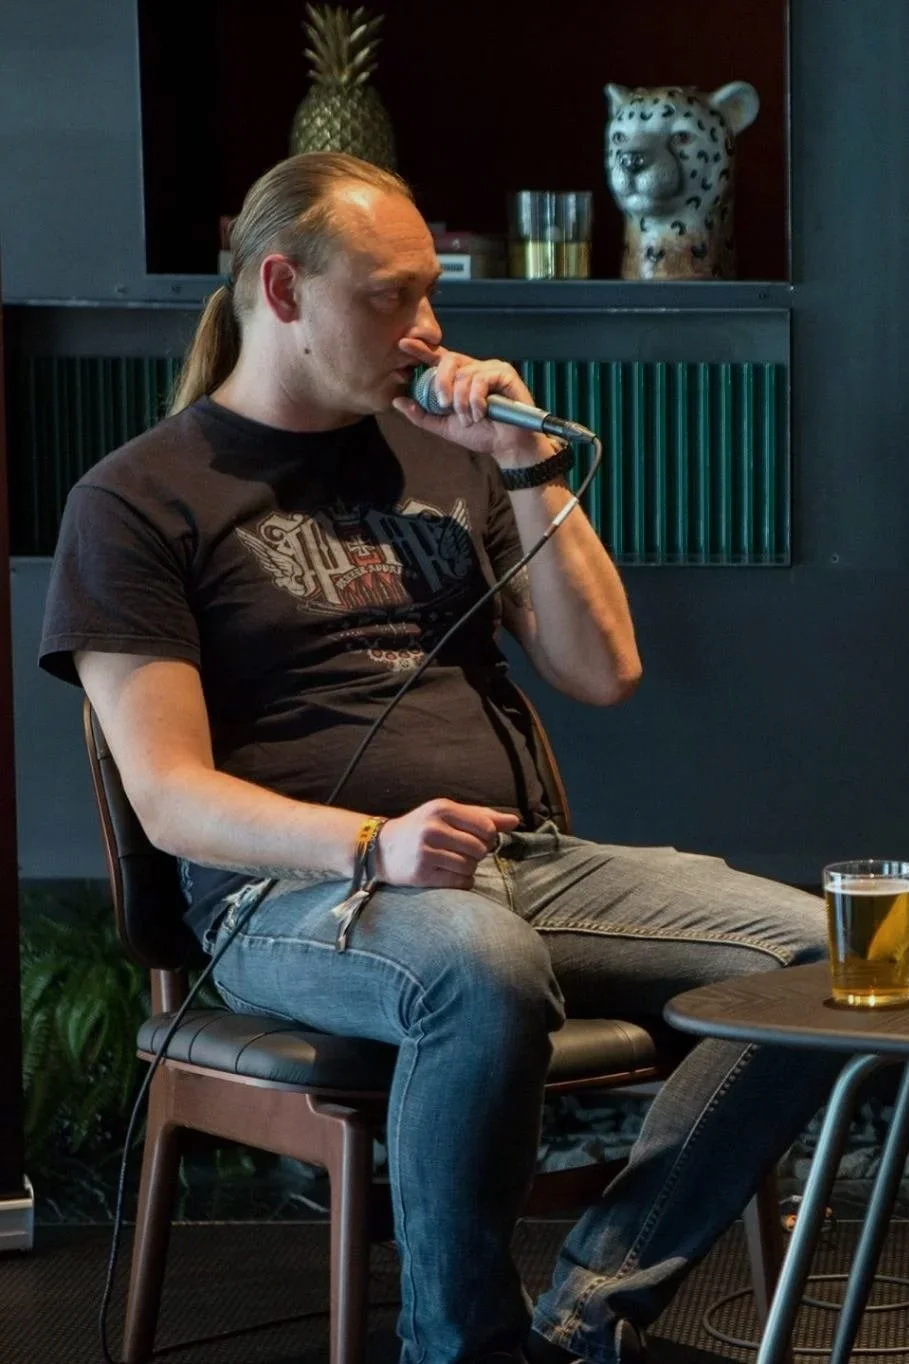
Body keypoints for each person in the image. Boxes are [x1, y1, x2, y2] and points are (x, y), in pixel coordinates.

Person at [38, 152, 837, 1364]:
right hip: (293, 897)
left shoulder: (443, 454)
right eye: (390, 295)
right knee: (477, 957)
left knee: (828, 953)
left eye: (430, 293)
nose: (426, 329)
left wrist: (524, 464)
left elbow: (603, 668)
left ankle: (584, 1314)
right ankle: (458, 1347)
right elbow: (169, 797)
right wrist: (372, 844)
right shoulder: (138, 501)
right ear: (283, 289)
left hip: (519, 864)